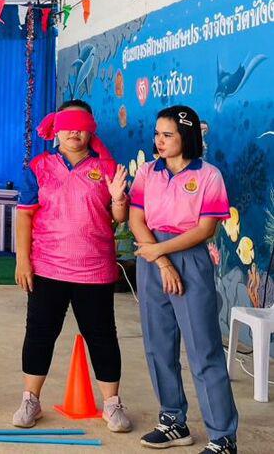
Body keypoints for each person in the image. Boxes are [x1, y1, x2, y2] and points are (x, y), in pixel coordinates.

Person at [13, 100, 132, 433]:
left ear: (90, 129)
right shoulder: (39, 167)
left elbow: (119, 217)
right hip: (47, 267)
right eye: (67, 126)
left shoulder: (107, 167)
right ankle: (30, 400)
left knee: (102, 336)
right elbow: (24, 216)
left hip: (94, 269)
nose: (74, 133)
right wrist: (23, 260)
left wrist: (118, 198)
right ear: (56, 128)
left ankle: (112, 404)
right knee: (39, 333)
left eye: (81, 127)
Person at [130, 105, 238, 454]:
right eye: (157, 134)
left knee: (203, 349)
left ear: (186, 136)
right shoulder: (148, 172)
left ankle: (223, 437)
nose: (159, 141)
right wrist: (161, 261)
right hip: (152, 258)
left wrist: (164, 254)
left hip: (189, 257)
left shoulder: (209, 176)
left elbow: (206, 229)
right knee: (158, 345)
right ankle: (173, 420)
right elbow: (136, 220)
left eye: (168, 135)